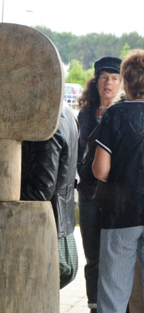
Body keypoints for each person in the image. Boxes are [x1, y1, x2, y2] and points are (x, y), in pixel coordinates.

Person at [0, 102, 79, 288]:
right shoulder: (59, 111)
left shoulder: (45, 121)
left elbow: (40, 191)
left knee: (30, 292)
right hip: (54, 226)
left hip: (43, 230)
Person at [92, 49, 144, 313]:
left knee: (113, 294)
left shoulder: (115, 114)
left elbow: (101, 170)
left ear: (125, 80)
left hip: (121, 214)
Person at [76, 56, 122, 313]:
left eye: (114, 78)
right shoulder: (85, 114)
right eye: (104, 77)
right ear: (96, 82)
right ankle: (94, 306)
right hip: (88, 193)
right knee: (93, 255)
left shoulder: (124, 112)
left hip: (116, 194)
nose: (109, 83)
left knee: (116, 255)